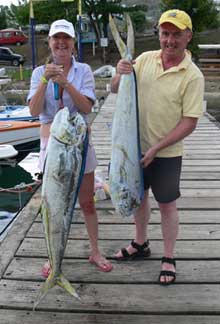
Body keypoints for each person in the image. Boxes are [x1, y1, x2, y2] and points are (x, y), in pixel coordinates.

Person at [111, 9, 204, 285]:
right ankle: (140, 243)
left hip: (166, 153)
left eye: (176, 34)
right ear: (159, 35)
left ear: (188, 36)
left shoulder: (193, 76)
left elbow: (189, 123)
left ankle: (169, 257)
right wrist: (119, 72)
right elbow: (116, 89)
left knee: (167, 205)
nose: (170, 40)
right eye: (165, 34)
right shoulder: (144, 60)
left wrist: (156, 148)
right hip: (133, 148)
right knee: (138, 198)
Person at [27, 19, 113, 275]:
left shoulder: (84, 70)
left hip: (77, 144)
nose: (61, 43)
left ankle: (95, 250)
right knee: (52, 205)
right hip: (51, 146)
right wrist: (45, 80)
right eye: (57, 38)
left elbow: (87, 107)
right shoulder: (36, 73)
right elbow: (33, 111)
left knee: (87, 202)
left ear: (74, 43)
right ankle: (53, 257)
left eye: (67, 38)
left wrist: (65, 82)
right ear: (50, 42)